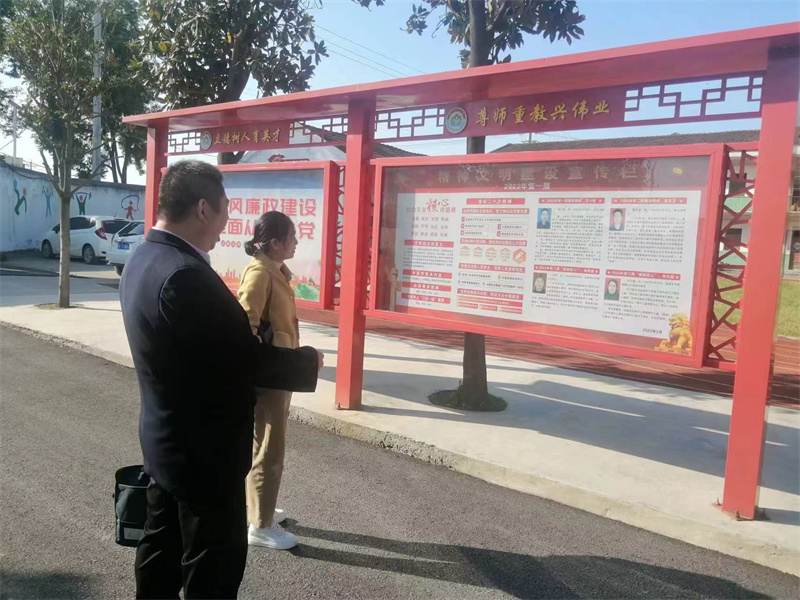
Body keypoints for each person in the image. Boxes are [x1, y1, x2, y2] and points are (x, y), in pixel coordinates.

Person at [120, 161, 323, 600]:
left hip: (166, 443)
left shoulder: (144, 257)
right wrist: (307, 362)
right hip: (204, 458)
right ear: (202, 209)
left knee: (160, 554)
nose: (228, 223)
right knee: (212, 569)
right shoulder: (186, 275)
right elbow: (238, 359)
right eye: (225, 210)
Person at [237, 212, 302, 551]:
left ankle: (258, 507)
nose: (296, 242)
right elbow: (245, 326)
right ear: (274, 243)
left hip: (279, 372)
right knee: (269, 448)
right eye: (291, 237)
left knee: (264, 443)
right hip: (270, 377)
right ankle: (261, 526)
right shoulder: (260, 273)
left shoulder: (274, 270)